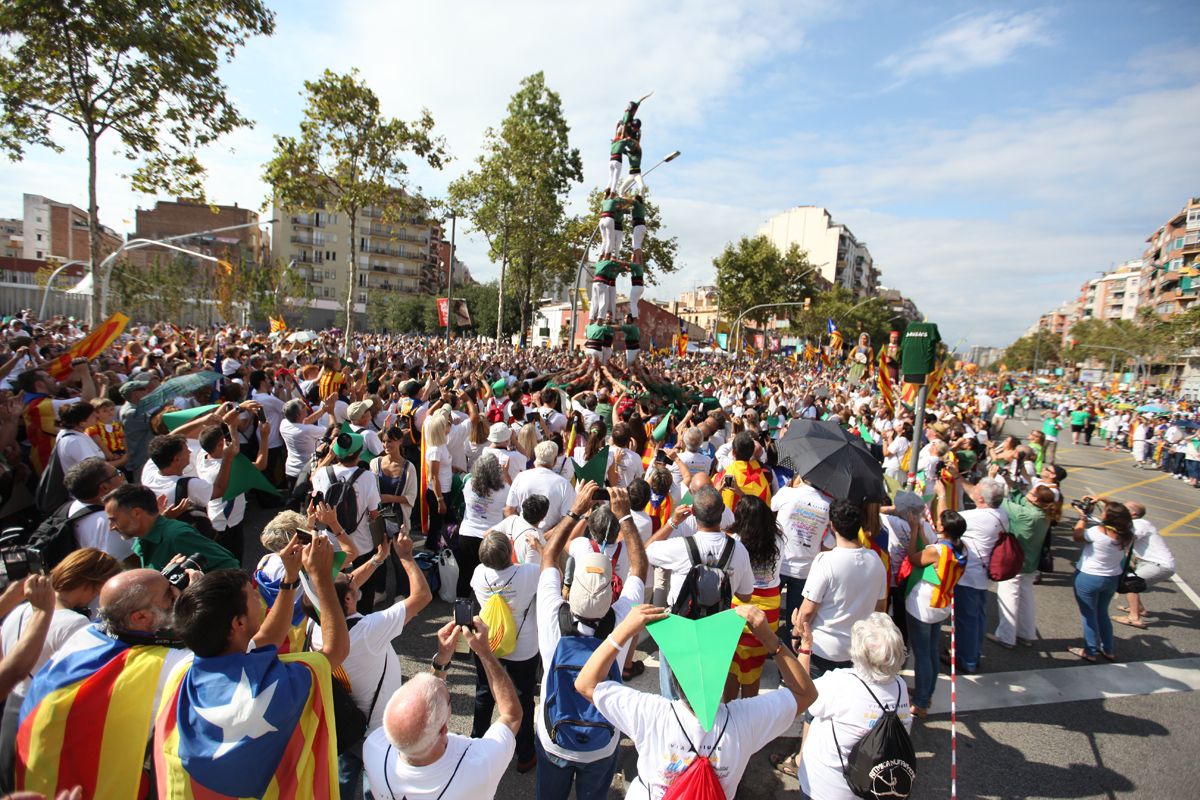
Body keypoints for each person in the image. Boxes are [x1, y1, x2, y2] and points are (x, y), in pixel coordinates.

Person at [156, 537, 350, 798]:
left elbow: (265, 639)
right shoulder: (274, 684)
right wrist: (323, 579)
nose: (259, 599)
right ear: (237, 624)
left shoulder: (184, 669)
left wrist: (290, 578)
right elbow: (335, 650)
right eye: (252, 597)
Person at [574, 601, 817, 800]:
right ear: (723, 677)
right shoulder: (744, 721)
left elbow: (585, 683)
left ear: (673, 677)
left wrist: (624, 631)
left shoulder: (651, 714)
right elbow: (805, 693)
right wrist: (770, 639)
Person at [533, 483, 649, 800]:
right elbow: (639, 567)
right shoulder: (623, 620)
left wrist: (575, 511)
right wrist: (626, 517)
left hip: (553, 735)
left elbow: (548, 556)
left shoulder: (553, 615)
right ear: (611, 593)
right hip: (602, 740)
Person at [314, 530, 432, 799]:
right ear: (348, 599)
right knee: (377, 783)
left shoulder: (314, 627)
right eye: (350, 581)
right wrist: (407, 558)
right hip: (377, 729)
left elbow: (345, 586)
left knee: (343, 777)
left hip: (345, 720)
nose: (354, 577)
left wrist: (378, 559)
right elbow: (422, 597)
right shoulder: (368, 630)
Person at [0, 549, 122, 790]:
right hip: (43, 718)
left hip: (10, 713)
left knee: (10, 784)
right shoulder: (74, 623)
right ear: (93, 584)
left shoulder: (19, 609)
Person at [363, 617, 521, 800]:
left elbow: (424, 699)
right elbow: (512, 714)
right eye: (448, 698)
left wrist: (442, 659)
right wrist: (485, 652)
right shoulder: (477, 766)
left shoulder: (374, 748)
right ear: (444, 728)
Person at [795, 613, 912, 799]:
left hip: (826, 788)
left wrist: (806, 647)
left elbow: (802, 694)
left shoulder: (841, 682)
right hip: (872, 788)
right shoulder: (900, 687)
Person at [470, 531, 540, 773]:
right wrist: (534, 548)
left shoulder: (479, 574)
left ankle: (476, 744)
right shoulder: (528, 574)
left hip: (488, 641)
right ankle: (526, 755)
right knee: (523, 698)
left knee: (484, 692)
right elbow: (547, 571)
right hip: (523, 644)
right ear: (510, 550)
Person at [905, 511, 967, 718]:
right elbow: (932, 550)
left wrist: (914, 532)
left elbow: (914, 557)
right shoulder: (961, 549)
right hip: (942, 603)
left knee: (922, 655)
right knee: (931, 651)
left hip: (924, 605)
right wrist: (923, 532)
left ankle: (921, 702)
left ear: (943, 528)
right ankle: (926, 692)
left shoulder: (937, 551)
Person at [311, 431, 384, 609]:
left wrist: (329, 456)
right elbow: (374, 512)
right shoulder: (367, 477)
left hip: (331, 540)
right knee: (365, 584)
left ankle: (338, 613)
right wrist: (381, 540)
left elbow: (312, 479)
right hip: (361, 541)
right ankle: (363, 615)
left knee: (335, 585)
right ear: (359, 453)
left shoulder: (322, 474)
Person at [102, 483, 239, 571]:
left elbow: (229, 565)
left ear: (136, 513)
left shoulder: (176, 536)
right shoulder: (142, 539)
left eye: (114, 520)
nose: (111, 527)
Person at [726, 495, 784, 700]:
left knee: (732, 666)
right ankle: (750, 713)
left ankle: (730, 711)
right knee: (754, 668)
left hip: (739, 605)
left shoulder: (735, 542)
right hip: (769, 609)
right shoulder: (778, 538)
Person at [953, 477, 1008, 674]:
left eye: (976, 488)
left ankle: (966, 659)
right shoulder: (1001, 513)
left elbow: (946, 520)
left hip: (969, 575)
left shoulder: (976, 517)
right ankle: (973, 653)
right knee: (977, 617)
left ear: (982, 499)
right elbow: (973, 492)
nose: (973, 488)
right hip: (983, 575)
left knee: (965, 619)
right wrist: (958, 476)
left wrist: (943, 495)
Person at [990, 486, 1055, 649]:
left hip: (1014, 564)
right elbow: (1019, 498)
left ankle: (1006, 637)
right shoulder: (1044, 514)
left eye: (1031, 493)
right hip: (1031, 564)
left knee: (1008, 598)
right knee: (1027, 599)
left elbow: (1001, 501)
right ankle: (1026, 634)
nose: (1028, 494)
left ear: (1036, 500)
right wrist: (1011, 483)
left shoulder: (1024, 514)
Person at [1069, 498, 1133, 662]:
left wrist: (1082, 519)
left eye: (1104, 511)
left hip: (1088, 577)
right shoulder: (1127, 533)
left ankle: (1090, 651)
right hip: (1111, 579)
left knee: (1088, 615)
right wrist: (1102, 499)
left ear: (1109, 518)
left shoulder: (1097, 532)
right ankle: (1108, 649)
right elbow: (1119, 511)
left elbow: (1077, 536)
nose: (1101, 512)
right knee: (1102, 613)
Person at [772, 475, 831, 646]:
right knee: (796, 619)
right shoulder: (828, 505)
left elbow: (772, 505)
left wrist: (792, 484)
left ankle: (769, 645)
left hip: (779, 564)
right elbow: (831, 539)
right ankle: (791, 655)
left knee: (772, 610)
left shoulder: (787, 493)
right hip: (806, 569)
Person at [1115, 502, 1176, 628]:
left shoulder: (1140, 524)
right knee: (1132, 581)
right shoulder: (1133, 523)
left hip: (1159, 564)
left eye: (1124, 508)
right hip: (1148, 562)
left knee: (1129, 583)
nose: (1120, 509)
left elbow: (1128, 538)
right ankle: (1140, 609)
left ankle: (1134, 618)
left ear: (1133, 513)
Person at [62, 457, 134, 561]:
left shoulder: (73, 506)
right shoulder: (109, 521)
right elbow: (131, 561)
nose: (122, 476)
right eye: (117, 473)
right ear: (104, 487)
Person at [505, 441, 575, 533]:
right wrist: (543, 537)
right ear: (555, 461)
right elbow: (566, 521)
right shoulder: (564, 485)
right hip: (549, 542)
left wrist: (523, 533)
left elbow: (509, 511)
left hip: (522, 538)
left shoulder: (520, 477)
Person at [52, 401, 105, 474]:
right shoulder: (75, 441)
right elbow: (94, 469)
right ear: (82, 423)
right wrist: (122, 460)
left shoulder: (67, 433)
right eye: (92, 415)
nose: (97, 415)